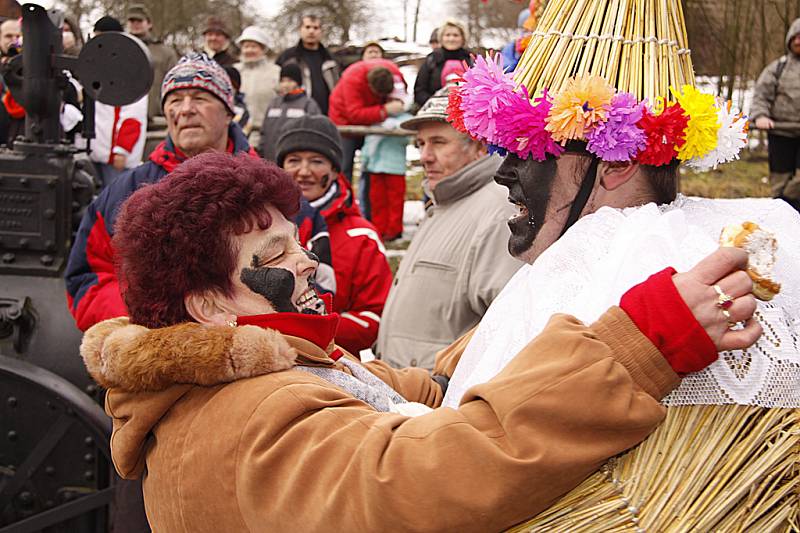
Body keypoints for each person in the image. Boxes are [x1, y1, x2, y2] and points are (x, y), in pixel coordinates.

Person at [79, 150, 759, 532]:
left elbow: (405, 390)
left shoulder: (267, 364)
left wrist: (523, 318)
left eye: (299, 240)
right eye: (274, 251)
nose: (309, 262)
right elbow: (419, 478)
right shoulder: (249, 416)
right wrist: (642, 342)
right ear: (208, 305)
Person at [65, 53, 254, 331]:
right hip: (148, 349)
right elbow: (87, 278)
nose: (186, 109)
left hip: (249, 349)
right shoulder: (125, 192)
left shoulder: (265, 190)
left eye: (200, 97)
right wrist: (148, 322)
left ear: (228, 111)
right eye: (175, 100)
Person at [374, 88, 523, 369]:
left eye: (438, 142)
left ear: (480, 146)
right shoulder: (444, 202)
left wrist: (445, 384)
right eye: (420, 144)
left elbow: (507, 327)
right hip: (409, 396)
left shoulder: (497, 212)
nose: (424, 156)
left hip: (441, 401)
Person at [276, 115, 392, 353]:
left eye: (317, 161)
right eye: (294, 160)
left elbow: (376, 319)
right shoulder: (259, 229)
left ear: (335, 170)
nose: (304, 171)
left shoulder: (360, 236)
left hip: (334, 367)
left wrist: (310, 325)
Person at [88, 16, 148, 188]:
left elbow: (133, 115)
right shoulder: (98, 66)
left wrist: (122, 150)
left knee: (116, 204)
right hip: (97, 151)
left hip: (116, 156)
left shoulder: (131, 69)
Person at [750, 17, 800, 212]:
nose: (798, 41)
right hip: (780, 133)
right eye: (795, 37)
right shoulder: (777, 68)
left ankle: (786, 201)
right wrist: (760, 116)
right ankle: (782, 214)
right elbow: (761, 94)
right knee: (779, 180)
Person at [329, 58, 407, 183]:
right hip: (344, 121)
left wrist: (399, 103)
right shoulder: (353, 79)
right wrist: (384, 110)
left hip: (375, 122)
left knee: (372, 165)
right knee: (344, 167)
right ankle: (344, 198)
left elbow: (403, 96)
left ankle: (367, 198)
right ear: (369, 85)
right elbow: (354, 114)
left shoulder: (395, 73)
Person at [360, 102, 412, 241]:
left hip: (395, 167)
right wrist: (365, 160)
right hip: (375, 166)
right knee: (377, 200)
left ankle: (394, 230)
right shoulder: (376, 117)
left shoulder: (405, 119)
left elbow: (408, 137)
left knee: (395, 200)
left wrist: (395, 125)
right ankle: (379, 228)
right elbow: (369, 140)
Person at [275, 14, 340, 115]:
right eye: (307, 27)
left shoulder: (331, 59)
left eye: (315, 28)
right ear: (300, 29)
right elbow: (277, 85)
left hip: (327, 115)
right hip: (297, 113)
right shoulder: (288, 57)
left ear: (321, 31)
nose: (311, 31)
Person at [126, 4, 178, 123]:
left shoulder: (165, 53)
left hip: (156, 120)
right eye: (132, 20)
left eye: (139, 20)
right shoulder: (117, 50)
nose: (135, 24)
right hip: (125, 119)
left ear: (149, 24)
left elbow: (174, 86)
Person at [259, 63, 320, 161]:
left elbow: (314, 135)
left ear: (298, 83)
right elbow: (264, 133)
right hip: (270, 160)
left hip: (294, 161)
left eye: (290, 81)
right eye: (282, 81)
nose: (285, 84)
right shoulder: (274, 103)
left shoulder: (308, 104)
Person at [233, 25, 280, 148]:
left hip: (268, 137)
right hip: (237, 136)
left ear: (263, 48)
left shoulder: (275, 72)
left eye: (253, 46)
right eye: (246, 46)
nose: (249, 50)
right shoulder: (234, 71)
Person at [413, 19, 471, 109]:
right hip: (434, 109)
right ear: (441, 38)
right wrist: (434, 104)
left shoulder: (471, 59)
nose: (451, 39)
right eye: (447, 35)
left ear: (463, 38)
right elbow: (420, 91)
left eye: (456, 35)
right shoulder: (431, 60)